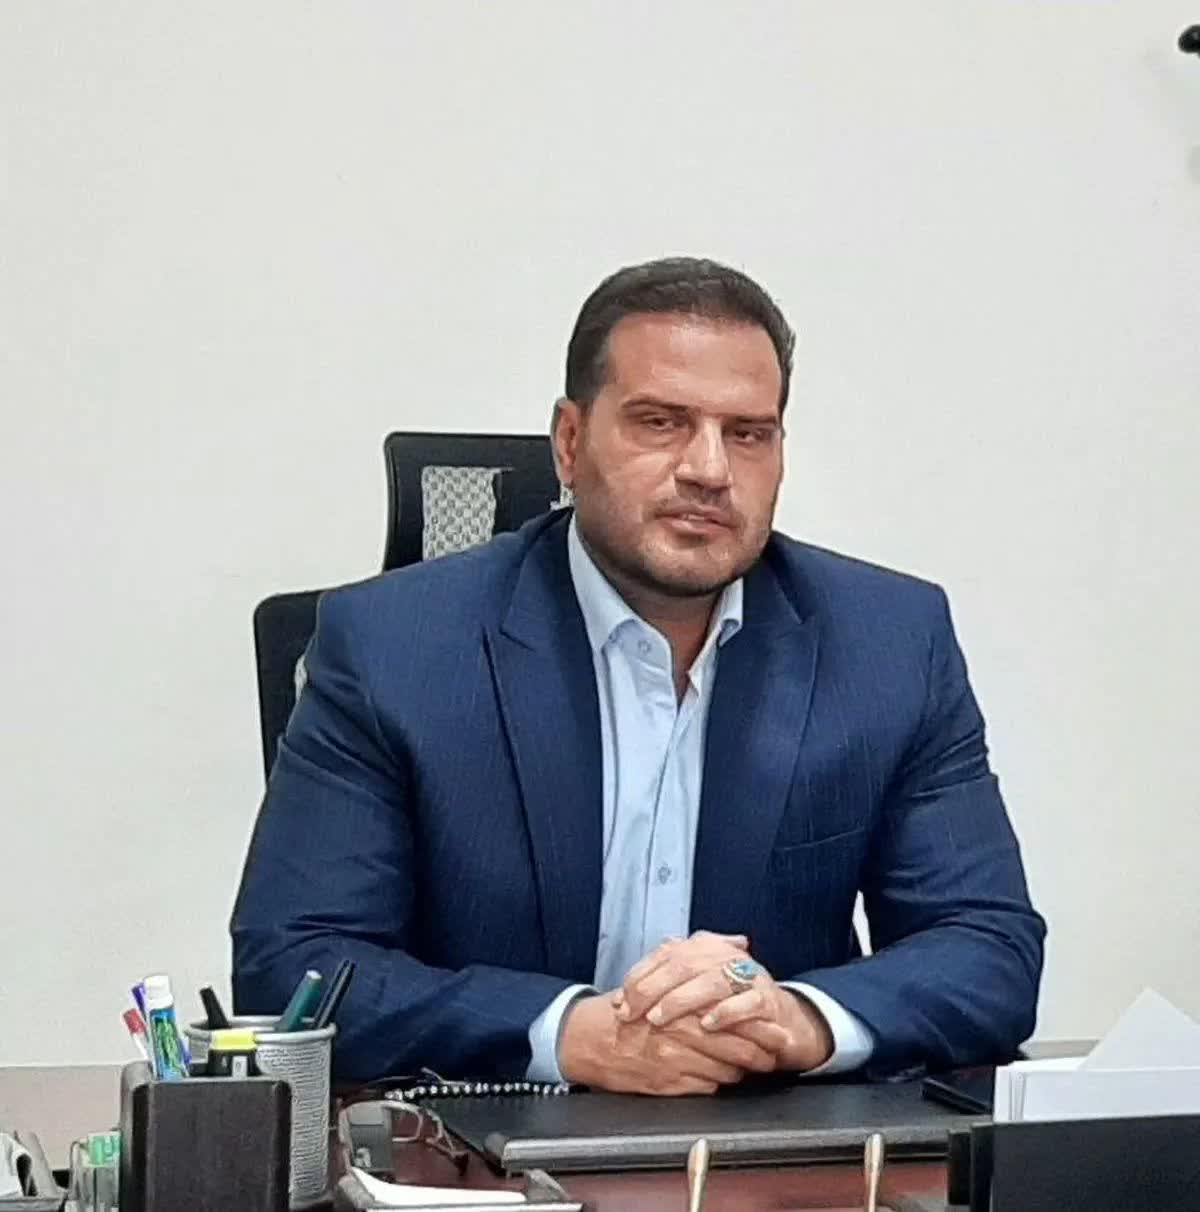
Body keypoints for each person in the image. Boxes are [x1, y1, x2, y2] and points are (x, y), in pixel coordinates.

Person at [231, 257, 1045, 1093]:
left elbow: (990, 949)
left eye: (748, 434)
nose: (709, 469)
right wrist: (570, 1034)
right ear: (569, 442)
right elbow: (294, 967)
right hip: (491, 1140)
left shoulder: (888, 645)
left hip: (775, 1143)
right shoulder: (392, 648)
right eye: (661, 422)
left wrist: (793, 1020)